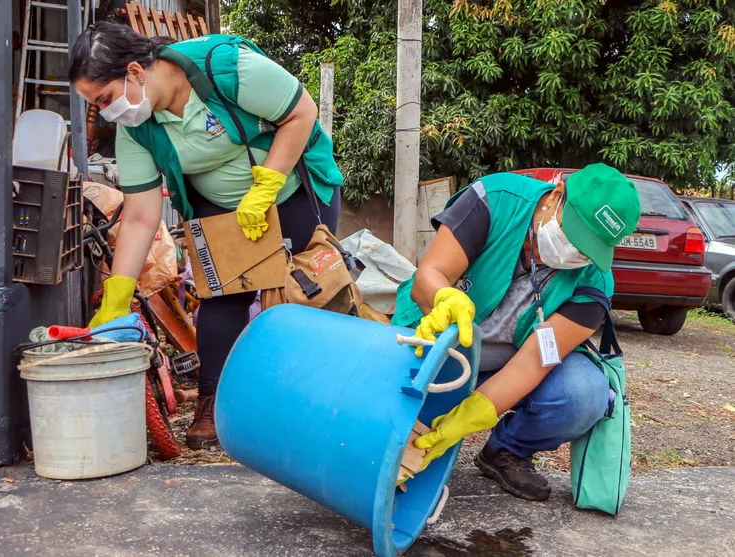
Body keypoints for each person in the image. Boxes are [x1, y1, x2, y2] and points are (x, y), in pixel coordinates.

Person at [69, 22, 343, 449]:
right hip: (218, 206)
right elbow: (141, 216)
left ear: (137, 72)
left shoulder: (225, 67)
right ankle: (214, 403)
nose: (107, 113)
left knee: (307, 290)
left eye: (105, 99)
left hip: (292, 189)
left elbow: (301, 113)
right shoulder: (136, 128)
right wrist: (118, 296)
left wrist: (266, 186)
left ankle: (312, 401)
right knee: (221, 297)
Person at [391, 164, 640, 501]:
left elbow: (533, 363)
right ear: (555, 197)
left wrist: (468, 418)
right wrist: (443, 297)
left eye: (588, 249)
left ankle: (505, 450)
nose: (574, 253)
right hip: (437, 346)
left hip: (510, 365)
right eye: (575, 236)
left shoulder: (594, 283)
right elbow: (429, 275)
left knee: (584, 394)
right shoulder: (496, 199)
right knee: (390, 419)